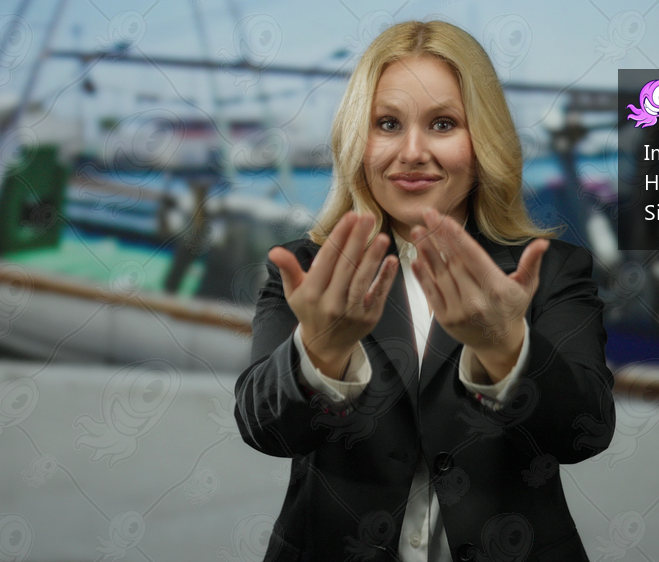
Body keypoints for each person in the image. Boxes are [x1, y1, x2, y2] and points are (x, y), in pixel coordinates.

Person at [234, 19, 615, 562]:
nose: (412, 152)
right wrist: (319, 353)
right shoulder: (306, 271)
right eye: (387, 123)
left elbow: (585, 434)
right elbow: (264, 430)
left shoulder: (553, 271)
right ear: (358, 140)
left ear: (483, 141)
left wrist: (507, 350)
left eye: (443, 124)